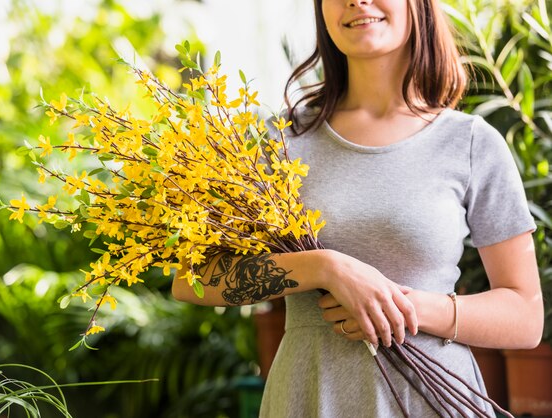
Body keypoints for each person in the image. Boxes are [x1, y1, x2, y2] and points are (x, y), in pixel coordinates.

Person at [172, 0, 544, 416]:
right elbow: (194, 279)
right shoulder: (281, 141)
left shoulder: (472, 143)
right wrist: (326, 268)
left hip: (432, 402)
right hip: (311, 397)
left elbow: (525, 317)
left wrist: (406, 308)